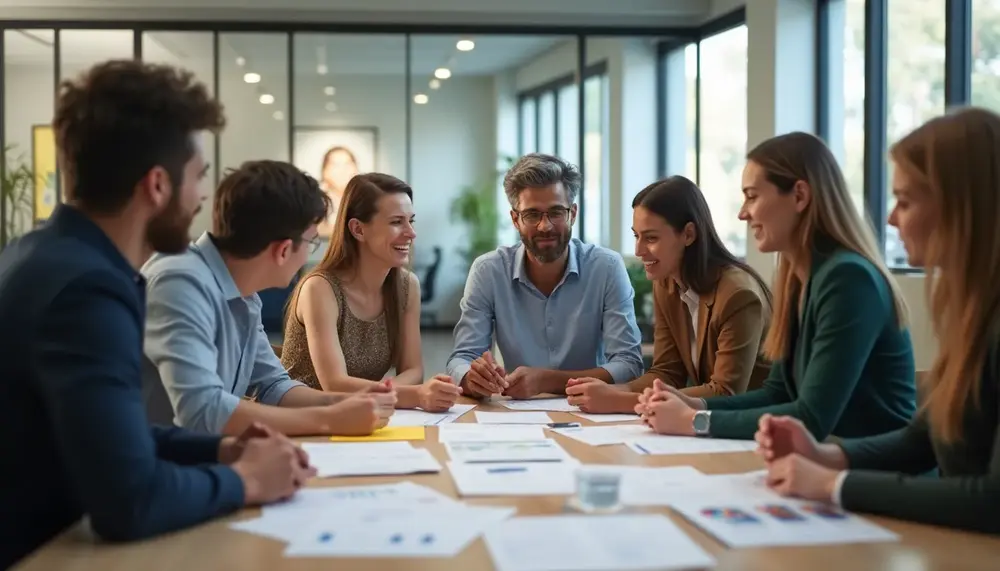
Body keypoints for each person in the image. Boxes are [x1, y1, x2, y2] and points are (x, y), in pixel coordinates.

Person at [0, 60, 314, 570]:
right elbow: (129, 500)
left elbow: (118, 433)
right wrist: (249, 479)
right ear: (157, 185)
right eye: (198, 178)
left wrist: (219, 453)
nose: (202, 199)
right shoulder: (89, 290)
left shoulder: (44, 255)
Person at [755, 107, 1000, 534]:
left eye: (904, 201)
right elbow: (919, 441)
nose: (890, 218)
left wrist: (835, 484)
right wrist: (824, 455)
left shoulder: (848, 276)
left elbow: (993, 501)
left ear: (962, 207)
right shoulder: (974, 312)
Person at [636, 132, 916, 441]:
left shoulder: (848, 278)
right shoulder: (798, 278)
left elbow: (811, 417)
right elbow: (778, 393)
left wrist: (695, 421)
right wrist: (693, 404)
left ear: (799, 196)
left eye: (752, 196)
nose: (743, 213)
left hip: (870, 470)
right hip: (822, 461)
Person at [141, 160, 396, 437]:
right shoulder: (179, 282)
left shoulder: (244, 292)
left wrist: (345, 402)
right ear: (284, 250)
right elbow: (202, 410)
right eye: (311, 243)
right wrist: (329, 419)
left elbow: (273, 385)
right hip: (152, 467)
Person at [566, 176, 772, 413]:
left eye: (651, 238)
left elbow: (724, 391)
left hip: (758, 427)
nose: (639, 250)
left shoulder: (738, 294)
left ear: (688, 234)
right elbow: (667, 373)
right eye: (636, 236)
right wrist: (612, 390)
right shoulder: (667, 284)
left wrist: (619, 401)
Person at [446, 153, 644, 399]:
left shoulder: (606, 267)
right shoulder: (488, 271)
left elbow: (628, 364)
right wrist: (472, 378)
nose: (545, 226)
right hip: (514, 417)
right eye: (532, 214)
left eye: (556, 212)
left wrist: (547, 381)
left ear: (573, 213)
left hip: (594, 412)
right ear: (515, 219)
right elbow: (461, 358)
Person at [281, 173, 461, 412]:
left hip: (359, 416)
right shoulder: (319, 288)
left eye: (411, 221)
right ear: (358, 229)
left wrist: (389, 394)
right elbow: (334, 384)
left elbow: (414, 371)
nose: (411, 233)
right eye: (397, 222)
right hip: (300, 421)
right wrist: (414, 395)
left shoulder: (408, 287)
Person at [318, 146, 359, 236]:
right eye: (335, 165)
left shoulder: (366, 199)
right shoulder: (316, 201)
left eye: (347, 164)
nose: (342, 171)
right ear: (325, 171)